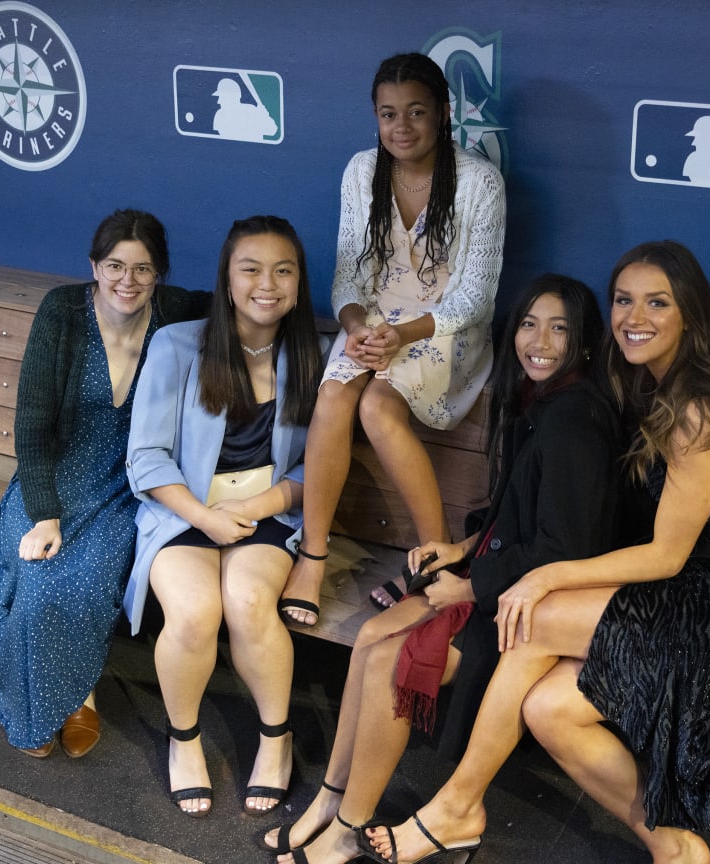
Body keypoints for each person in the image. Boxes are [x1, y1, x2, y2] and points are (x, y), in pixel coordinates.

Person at [363, 241, 710, 864]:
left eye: (658, 302)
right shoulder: (645, 386)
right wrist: (479, 550)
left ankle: (458, 805)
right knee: (548, 709)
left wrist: (543, 577)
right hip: (685, 593)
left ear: (692, 314)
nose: (635, 316)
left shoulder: (703, 402)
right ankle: (675, 848)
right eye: (624, 300)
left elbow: (668, 555)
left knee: (533, 617)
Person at [262, 275, 621, 864]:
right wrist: (461, 547)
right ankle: (331, 799)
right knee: (371, 636)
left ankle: (351, 826)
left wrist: (470, 582)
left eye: (560, 328)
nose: (541, 340)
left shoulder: (575, 422)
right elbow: (521, 514)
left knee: (390, 659)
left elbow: (564, 549)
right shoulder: (542, 403)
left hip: (529, 608)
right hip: (496, 575)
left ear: (584, 343)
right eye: (530, 324)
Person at [0, 209, 209, 759]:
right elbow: (32, 424)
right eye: (114, 265)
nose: (127, 281)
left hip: (128, 482)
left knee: (79, 576)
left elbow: (243, 302)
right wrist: (45, 512)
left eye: (143, 269)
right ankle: (68, 696)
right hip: (55, 474)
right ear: (93, 266)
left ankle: (73, 689)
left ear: (159, 274)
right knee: (38, 568)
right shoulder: (62, 312)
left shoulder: (177, 311)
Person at [278, 51, 506, 627]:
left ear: (444, 113)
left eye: (416, 112)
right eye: (388, 114)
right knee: (333, 397)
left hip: (444, 329)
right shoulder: (361, 171)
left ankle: (435, 560)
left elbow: (474, 298)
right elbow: (348, 277)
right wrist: (358, 328)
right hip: (375, 322)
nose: (401, 127)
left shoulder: (480, 181)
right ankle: (313, 554)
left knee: (378, 406)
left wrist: (396, 336)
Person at [124, 215, 324, 818]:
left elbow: (319, 468)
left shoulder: (313, 352)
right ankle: (183, 743)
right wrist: (204, 518)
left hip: (268, 512)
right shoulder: (179, 344)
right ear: (228, 279)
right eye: (251, 269)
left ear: (298, 281)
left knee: (246, 602)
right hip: (184, 508)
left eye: (283, 270)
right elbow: (146, 458)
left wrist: (262, 506)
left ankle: (275, 739)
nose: (268, 283)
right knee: (192, 612)